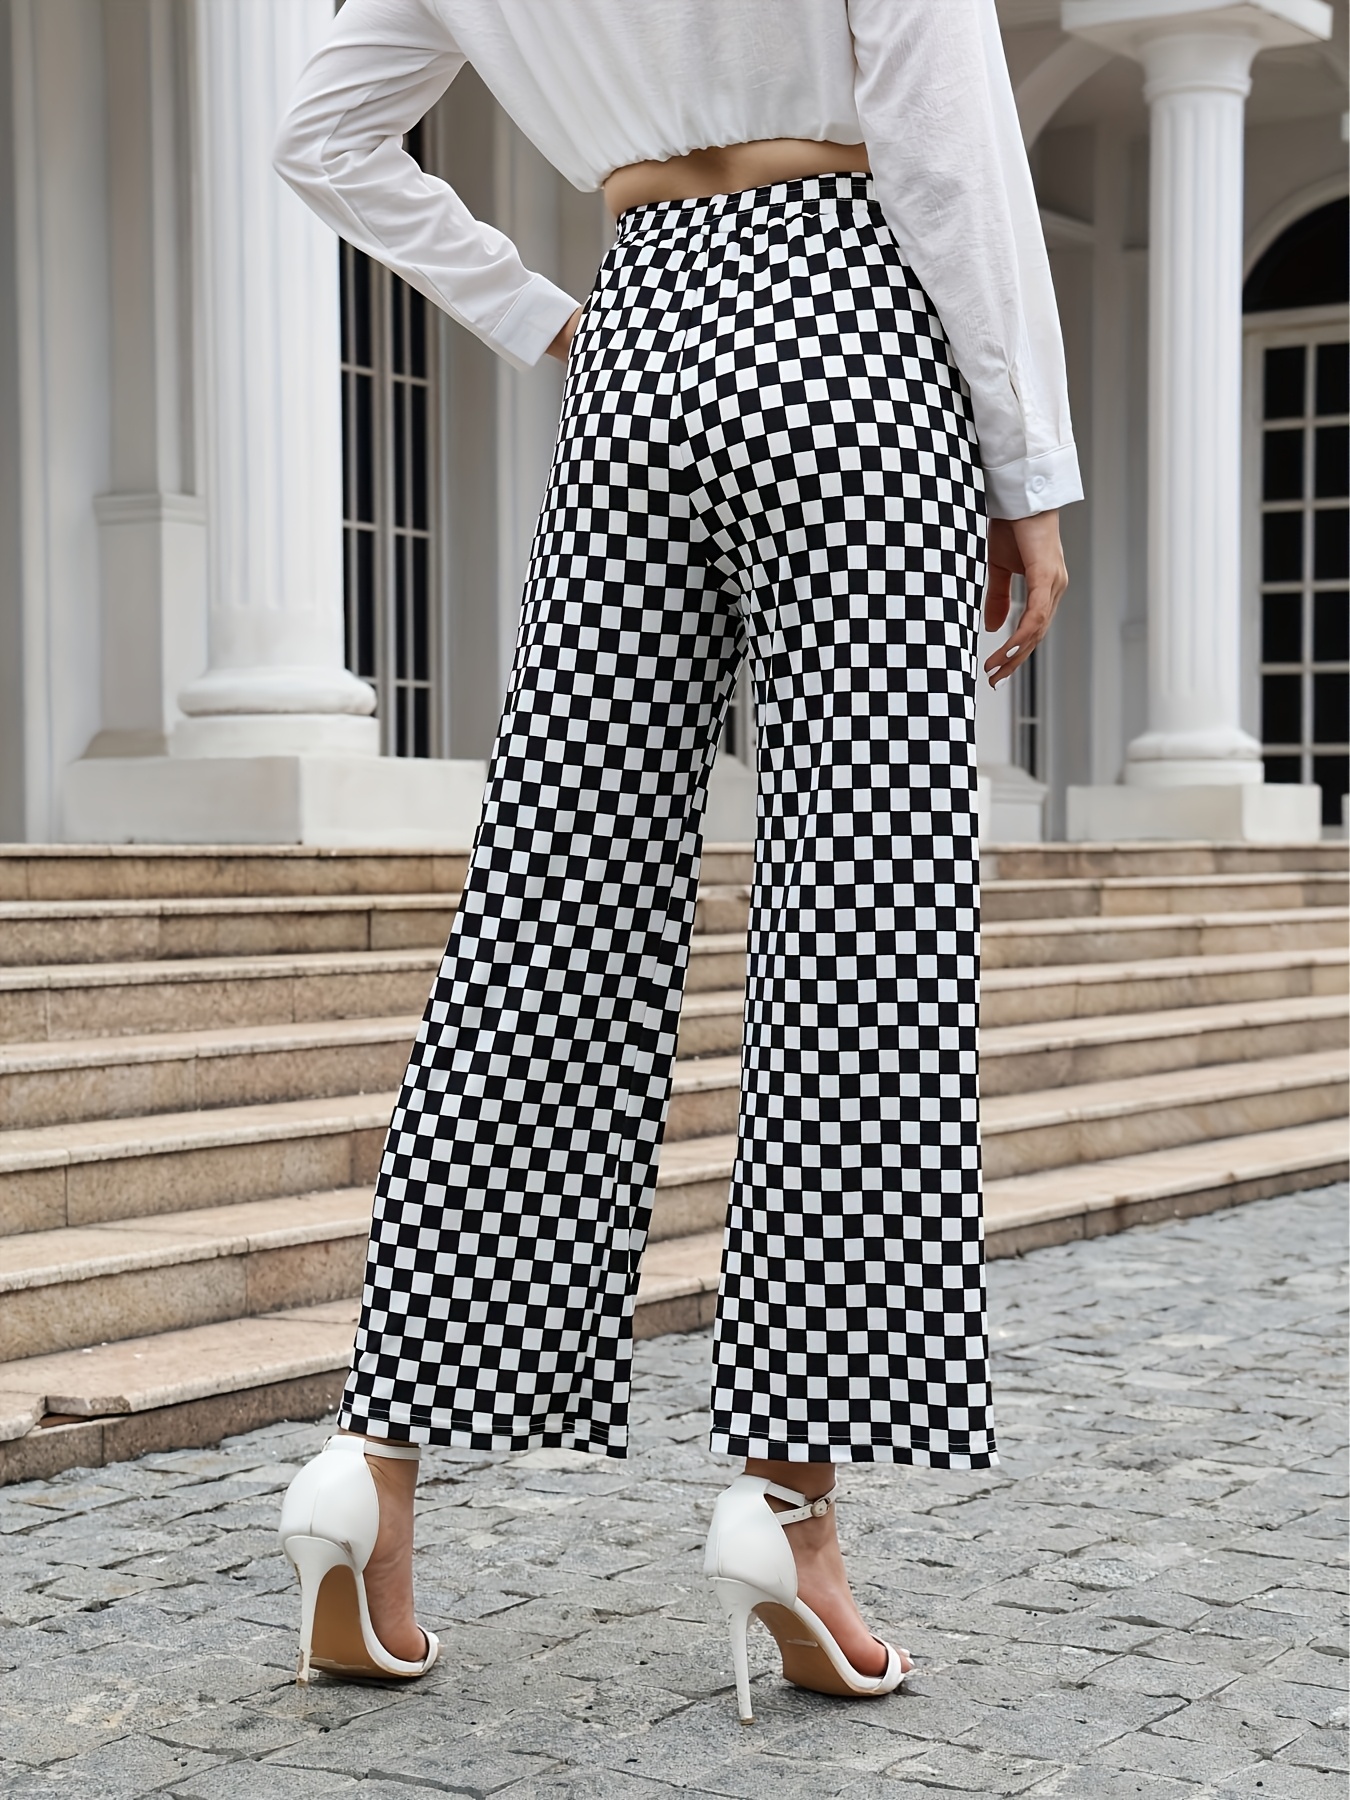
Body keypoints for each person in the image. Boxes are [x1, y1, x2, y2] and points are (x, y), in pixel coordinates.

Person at [272, 0, 1077, 1720]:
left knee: (545, 919)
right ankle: (792, 1517)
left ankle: (371, 1473)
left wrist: (539, 313)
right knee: (862, 928)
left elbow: (321, 138)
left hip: (633, 338)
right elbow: (948, 155)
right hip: (855, 320)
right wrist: (1024, 470)